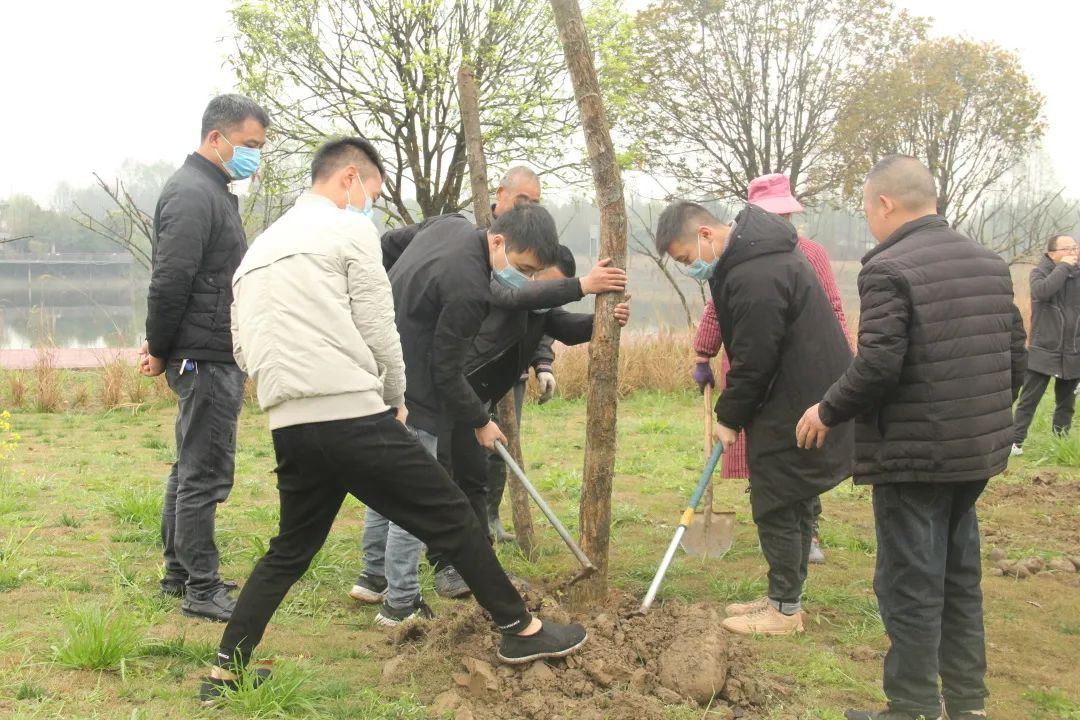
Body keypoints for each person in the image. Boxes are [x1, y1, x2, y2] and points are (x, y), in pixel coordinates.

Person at [201, 137, 587, 703]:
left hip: (288, 418)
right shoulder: (347, 231)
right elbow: (380, 325)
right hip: (351, 410)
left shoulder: (259, 247)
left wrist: (278, 392)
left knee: (291, 547)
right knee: (455, 512)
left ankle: (224, 675)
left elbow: (240, 341)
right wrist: (395, 397)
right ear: (348, 178)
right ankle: (520, 631)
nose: (370, 206)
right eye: (372, 193)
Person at [795, 155, 1026, 720]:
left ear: (885, 205)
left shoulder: (888, 269)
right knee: (958, 577)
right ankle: (968, 704)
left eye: (867, 209)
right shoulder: (990, 263)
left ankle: (913, 706)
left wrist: (826, 409)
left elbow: (877, 366)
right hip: (975, 453)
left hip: (914, 457)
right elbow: (1014, 359)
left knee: (910, 583)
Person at [356, 200, 561, 624]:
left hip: (377, 370)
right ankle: (401, 605)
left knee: (382, 485)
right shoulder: (470, 288)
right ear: (499, 240)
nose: (522, 280)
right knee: (416, 498)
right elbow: (447, 372)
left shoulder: (449, 225)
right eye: (522, 268)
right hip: (417, 392)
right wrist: (481, 422)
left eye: (531, 275)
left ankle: (372, 578)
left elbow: (388, 244)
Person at [655, 199, 854, 636]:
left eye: (688, 259)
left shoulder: (755, 274)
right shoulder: (756, 256)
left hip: (795, 398)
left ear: (705, 235)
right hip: (798, 393)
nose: (691, 269)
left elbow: (753, 359)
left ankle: (783, 612)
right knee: (794, 498)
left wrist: (729, 418)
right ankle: (784, 598)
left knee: (777, 501)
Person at [428, 246, 630, 586]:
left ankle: (479, 562)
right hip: (448, 393)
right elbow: (521, 297)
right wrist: (582, 285)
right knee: (443, 480)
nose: (543, 292)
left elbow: (565, 326)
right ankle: (443, 564)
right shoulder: (499, 290)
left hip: (476, 400)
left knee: (473, 480)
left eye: (552, 290)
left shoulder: (540, 310)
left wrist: (606, 319)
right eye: (540, 282)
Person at [139, 94, 269, 623]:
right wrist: (161, 346)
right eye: (250, 146)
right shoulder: (194, 194)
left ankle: (179, 571)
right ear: (216, 139)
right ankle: (202, 587)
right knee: (204, 473)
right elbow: (171, 280)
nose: (255, 157)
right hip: (204, 353)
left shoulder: (212, 190)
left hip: (208, 348)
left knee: (189, 464)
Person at [693, 173, 849, 564]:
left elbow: (832, 308)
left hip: (800, 371)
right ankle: (774, 524)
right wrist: (702, 353)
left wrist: (842, 366)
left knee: (801, 450)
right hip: (751, 364)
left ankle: (806, 529)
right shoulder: (735, 258)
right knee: (759, 453)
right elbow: (719, 309)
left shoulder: (810, 253)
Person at [1010, 233, 1080, 455]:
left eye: (1075, 249)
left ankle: (1060, 444)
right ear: (1052, 253)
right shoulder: (1039, 273)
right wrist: (1064, 268)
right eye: (1067, 249)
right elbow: (1043, 291)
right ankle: (1015, 442)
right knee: (1029, 400)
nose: (1073, 253)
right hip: (1044, 349)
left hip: (1072, 351)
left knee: (1066, 404)